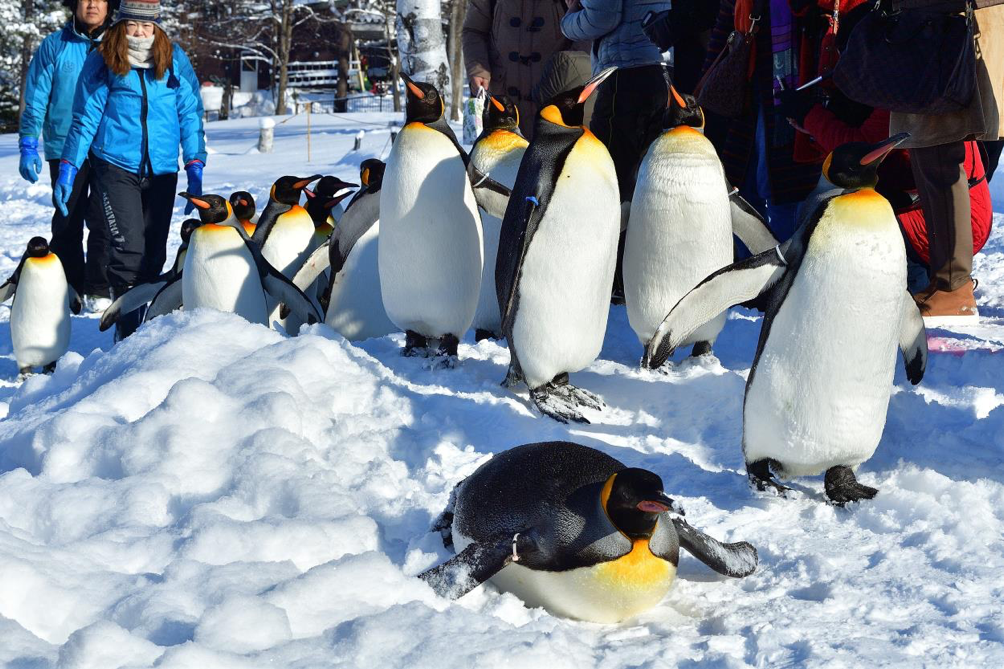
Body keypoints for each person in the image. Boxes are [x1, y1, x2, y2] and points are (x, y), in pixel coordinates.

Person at [57, 0, 206, 340]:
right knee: (129, 250)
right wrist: (69, 165)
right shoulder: (104, 56)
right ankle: (127, 330)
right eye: (133, 25)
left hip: (163, 169)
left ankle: (145, 318)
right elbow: (85, 116)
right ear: (121, 23)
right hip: (114, 165)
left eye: (147, 26)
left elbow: (190, 112)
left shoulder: (173, 58)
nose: (140, 32)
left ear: (157, 26)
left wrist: (194, 163)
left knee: (154, 252)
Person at [779, 88, 993, 294]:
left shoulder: (902, 85)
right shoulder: (900, 80)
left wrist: (811, 115)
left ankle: (917, 289)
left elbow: (859, 154)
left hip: (950, 222)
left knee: (859, 229)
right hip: (939, 213)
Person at [889, 0, 1004, 321]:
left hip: (946, 36)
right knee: (932, 155)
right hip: (939, 33)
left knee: (941, 156)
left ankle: (954, 287)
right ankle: (947, 282)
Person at [561, 0, 671, 302]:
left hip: (623, 75)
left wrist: (568, 18)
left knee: (610, 177)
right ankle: (644, 272)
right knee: (646, 179)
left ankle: (613, 276)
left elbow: (602, 15)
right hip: (662, 68)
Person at [18, 0, 118, 309]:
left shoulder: (119, 42)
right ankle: (70, 284)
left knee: (103, 220)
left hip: (107, 146)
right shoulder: (55, 45)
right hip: (62, 146)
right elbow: (35, 95)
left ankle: (98, 286)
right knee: (67, 219)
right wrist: (27, 143)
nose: (92, 4)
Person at [703, 0, 824, 243]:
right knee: (745, 196)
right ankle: (756, 267)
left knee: (787, 196)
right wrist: (707, 83)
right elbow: (724, 27)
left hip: (797, 98)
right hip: (749, 101)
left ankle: (784, 270)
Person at [463, 0, 572, 140]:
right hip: (503, 101)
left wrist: (568, 74)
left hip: (557, 100)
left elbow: (588, 29)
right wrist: (478, 69)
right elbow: (474, 30)